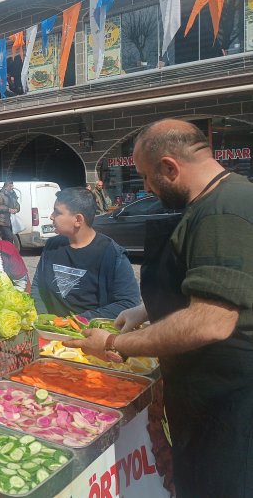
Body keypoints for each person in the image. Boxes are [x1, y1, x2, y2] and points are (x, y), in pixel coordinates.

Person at [65, 119, 253, 497]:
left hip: (229, 403)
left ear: (170, 166)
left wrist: (115, 344)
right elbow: (207, 281)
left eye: (147, 177)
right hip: (202, 398)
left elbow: (211, 320)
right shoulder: (213, 199)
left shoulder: (223, 210)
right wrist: (144, 310)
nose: (146, 188)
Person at [31, 187, 140, 319]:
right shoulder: (52, 246)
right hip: (50, 333)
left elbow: (128, 303)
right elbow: (38, 286)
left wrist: (78, 322)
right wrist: (44, 319)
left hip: (89, 335)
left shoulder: (112, 254)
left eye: (57, 212)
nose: (51, 216)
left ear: (78, 220)